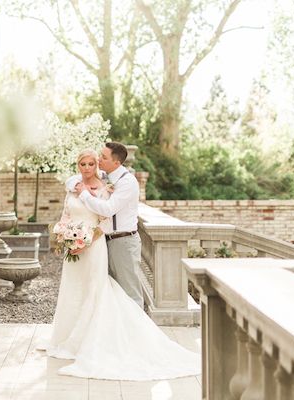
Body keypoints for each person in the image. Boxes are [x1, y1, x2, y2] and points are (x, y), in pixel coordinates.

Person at [38, 148, 200, 380]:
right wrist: (65, 235)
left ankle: (135, 341)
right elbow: (69, 201)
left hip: (106, 243)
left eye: (97, 161)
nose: (91, 166)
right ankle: (76, 336)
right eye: (84, 164)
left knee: (117, 291)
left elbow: (105, 214)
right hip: (87, 246)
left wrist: (84, 239)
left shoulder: (122, 184)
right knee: (82, 290)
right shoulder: (90, 182)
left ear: (111, 162)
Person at [65, 141, 143, 308]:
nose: (99, 160)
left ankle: (137, 332)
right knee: (109, 291)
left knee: (130, 292)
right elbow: (74, 178)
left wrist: (85, 194)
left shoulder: (127, 182)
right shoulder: (106, 176)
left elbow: (107, 210)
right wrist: (77, 185)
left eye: (103, 157)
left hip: (123, 241)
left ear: (117, 162)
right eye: (99, 156)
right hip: (105, 241)